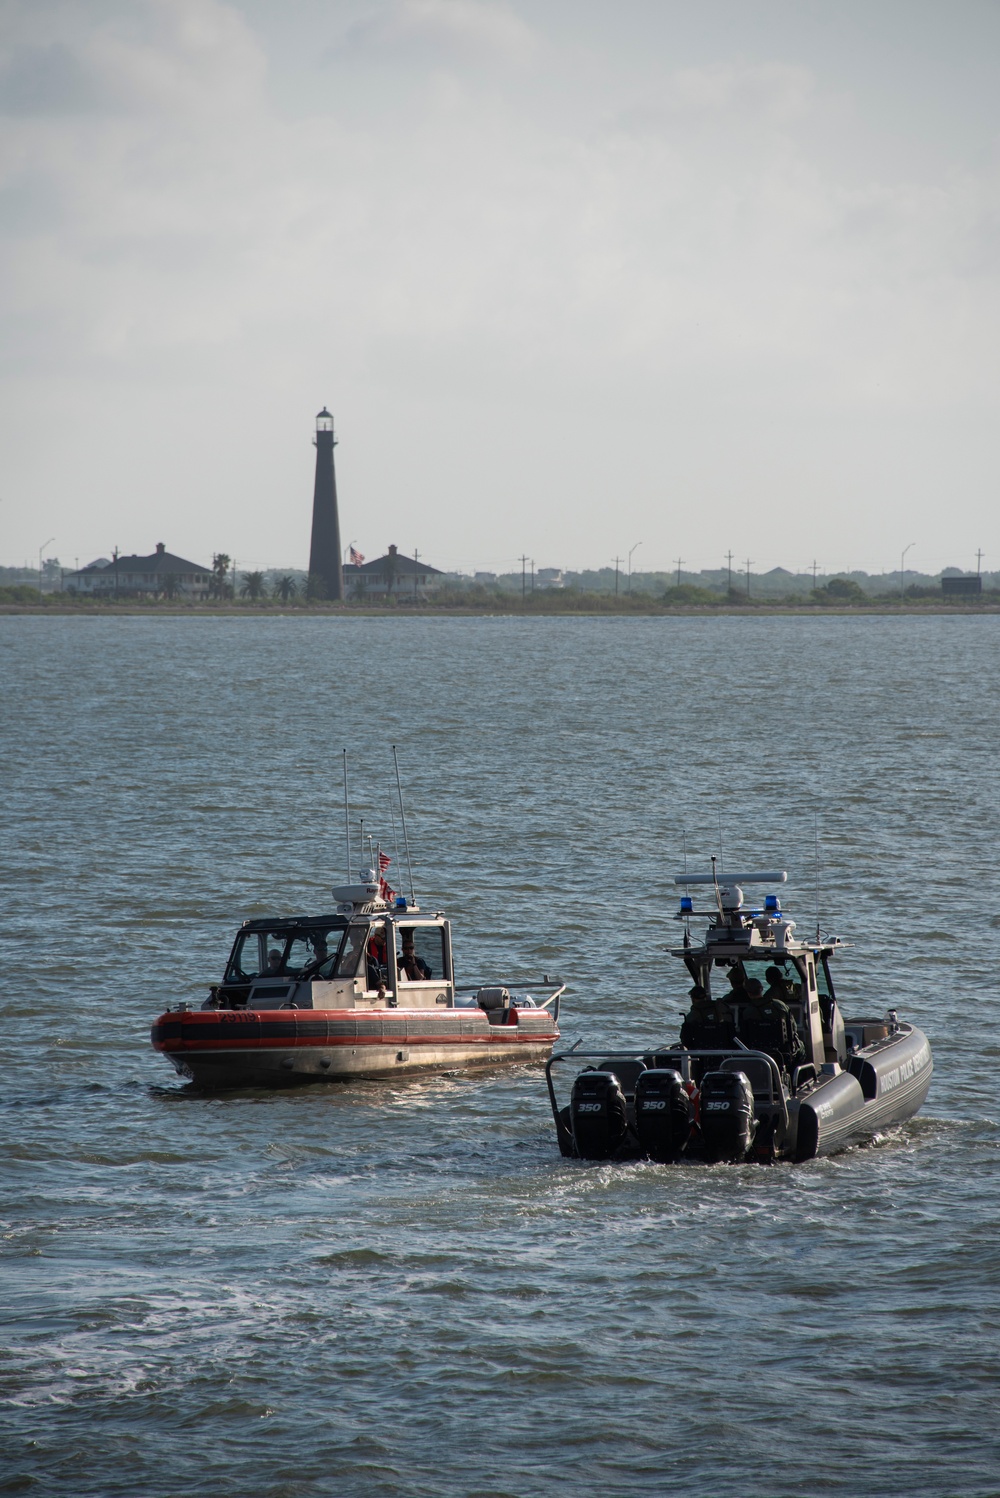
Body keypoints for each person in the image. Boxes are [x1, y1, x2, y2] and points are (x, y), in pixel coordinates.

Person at [739, 978, 804, 1071]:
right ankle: (796, 1076)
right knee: (802, 1048)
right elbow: (793, 1028)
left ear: (748, 993)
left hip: (758, 1052)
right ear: (761, 988)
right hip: (784, 1051)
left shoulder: (747, 1012)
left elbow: (745, 1036)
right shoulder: (780, 1005)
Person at [680, 984, 735, 1050]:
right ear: (705, 996)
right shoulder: (719, 1009)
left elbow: (685, 1039)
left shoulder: (692, 1015)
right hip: (722, 1047)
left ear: (692, 998)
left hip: (700, 1049)